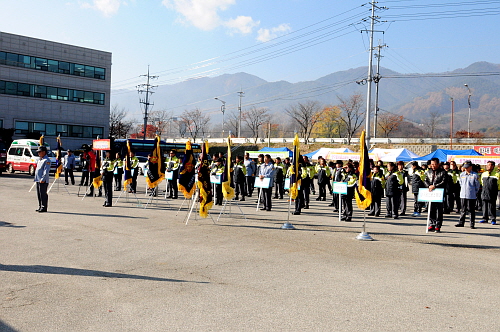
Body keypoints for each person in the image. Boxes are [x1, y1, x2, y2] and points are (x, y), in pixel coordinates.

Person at [424, 158, 447, 232]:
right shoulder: (428, 172)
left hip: (439, 193)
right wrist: (429, 186)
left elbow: (444, 182)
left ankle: (438, 225)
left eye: (434, 164)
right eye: (432, 164)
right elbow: (425, 180)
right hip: (431, 192)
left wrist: (435, 186)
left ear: (438, 164)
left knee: (439, 210)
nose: (433, 166)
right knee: (431, 208)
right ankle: (432, 224)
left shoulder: (443, 172)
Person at [455, 161, 480, 229]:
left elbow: (477, 186)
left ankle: (472, 224)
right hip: (463, 194)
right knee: (463, 209)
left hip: (471, 195)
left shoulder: (474, 175)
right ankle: (461, 222)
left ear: (471, 167)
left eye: (467, 167)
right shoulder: (462, 174)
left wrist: (474, 192)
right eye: (465, 167)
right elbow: (461, 183)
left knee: (471, 210)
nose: (465, 169)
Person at [34, 146, 51, 213]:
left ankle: (44, 207)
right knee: (39, 194)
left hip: (43, 180)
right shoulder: (40, 159)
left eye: (40, 152)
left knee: (43, 194)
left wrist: (43, 178)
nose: (38, 153)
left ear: (44, 152)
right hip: (38, 179)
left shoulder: (47, 160)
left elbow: (46, 171)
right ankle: (40, 206)